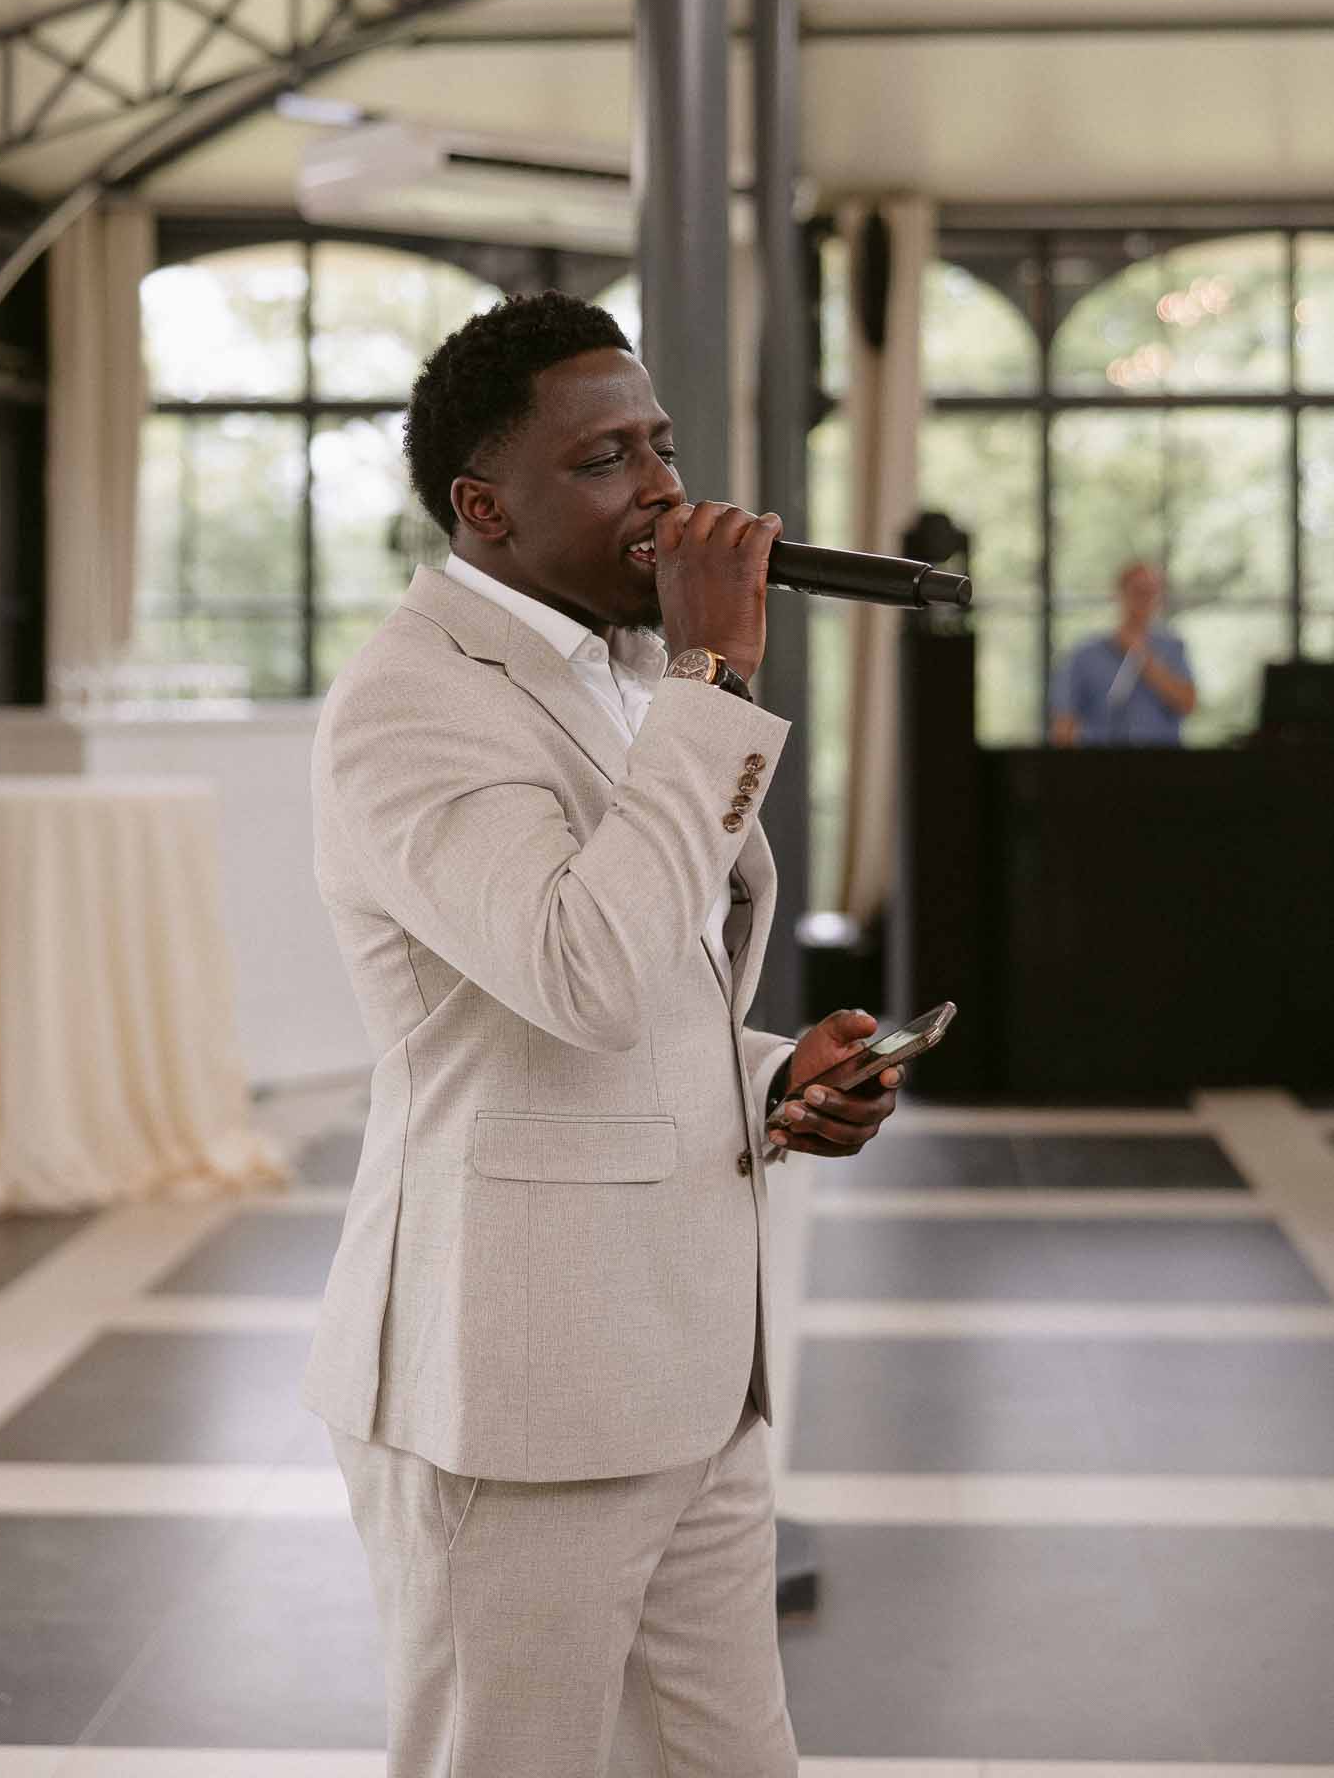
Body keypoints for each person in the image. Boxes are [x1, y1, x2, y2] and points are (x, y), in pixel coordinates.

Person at [304, 291, 903, 1778]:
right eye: (605, 461)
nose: (663, 490)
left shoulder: (619, 671)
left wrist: (774, 1073)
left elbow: (650, 977)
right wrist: (709, 677)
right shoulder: (414, 705)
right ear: (483, 507)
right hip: (518, 1389)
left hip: (692, 1363)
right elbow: (576, 968)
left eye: (662, 445)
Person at [1049, 559, 1197, 747]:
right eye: (1138, 592)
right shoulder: (1084, 654)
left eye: (1151, 593)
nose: (1145, 600)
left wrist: (1144, 660)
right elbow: (1063, 721)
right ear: (1119, 594)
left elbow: (1188, 704)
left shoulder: (1173, 649)